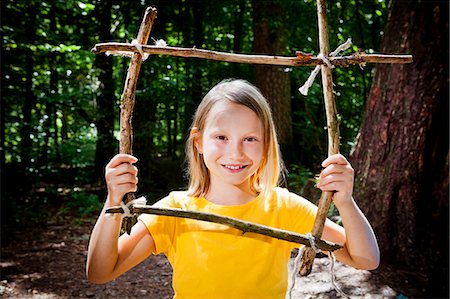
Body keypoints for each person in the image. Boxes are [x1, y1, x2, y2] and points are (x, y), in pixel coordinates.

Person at [86, 79, 379, 299]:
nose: (236, 152)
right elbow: (101, 271)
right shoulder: (174, 210)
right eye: (222, 137)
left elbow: (365, 258)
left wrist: (345, 201)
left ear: (266, 147)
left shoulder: (283, 207)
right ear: (199, 142)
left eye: (250, 139)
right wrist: (113, 203)